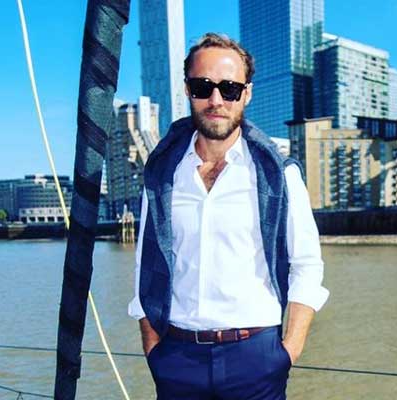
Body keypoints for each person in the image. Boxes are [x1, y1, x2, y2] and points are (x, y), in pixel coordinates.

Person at [128, 33, 329, 400]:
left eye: (230, 88)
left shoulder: (280, 176)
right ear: (187, 90)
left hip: (256, 358)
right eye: (203, 87)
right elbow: (145, 264)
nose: (216, 100)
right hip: (177, 358)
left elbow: (307, 265)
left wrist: (289, 350)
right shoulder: (162, 176)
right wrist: (153, 348)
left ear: (246, 94)